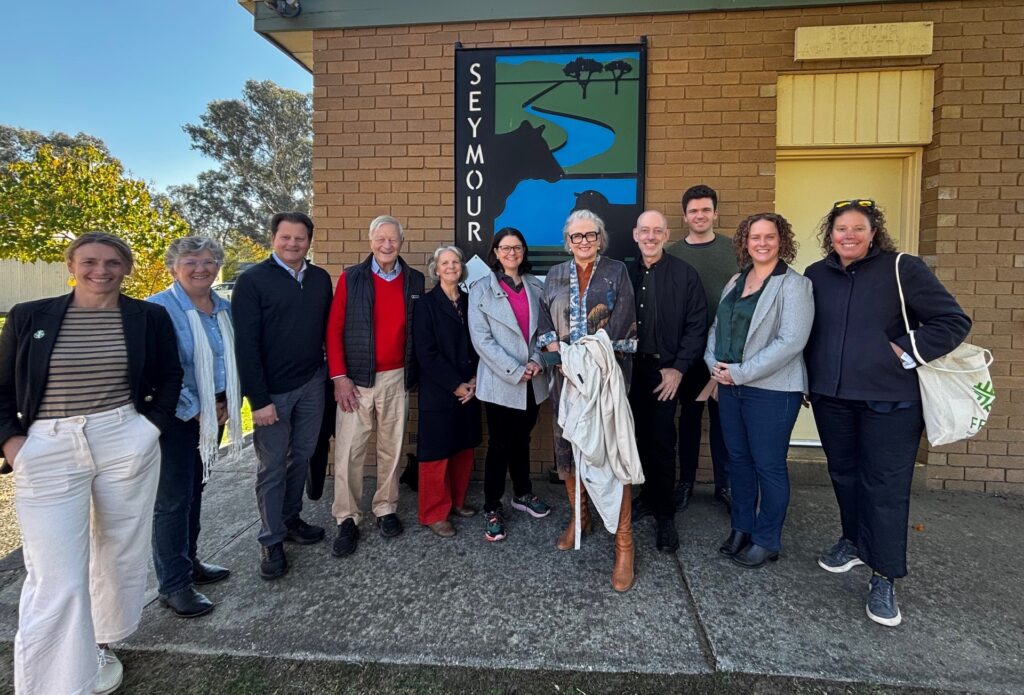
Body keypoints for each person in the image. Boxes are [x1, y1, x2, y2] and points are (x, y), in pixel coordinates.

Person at [0, 232, 182, 695]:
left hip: (123, 437)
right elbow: (3, 386)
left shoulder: (147, 317)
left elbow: (169, 375)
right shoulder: (30, 316)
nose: (101, 271)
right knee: (55, 572)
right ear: (71, 265)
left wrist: (149, 429)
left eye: (112, 262)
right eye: (90, 261)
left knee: (118, 551)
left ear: (126, 268)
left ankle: (100, 644)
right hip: (48, 444)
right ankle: (52, 684)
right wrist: (12, 442)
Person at [804, 199, 971, 626]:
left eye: (858, 228)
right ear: (830, 234)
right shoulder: (816, 275)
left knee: (885, 487)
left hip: (892, 401)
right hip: (832, 397)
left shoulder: (903, 268)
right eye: (841, 228)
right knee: (843, 473)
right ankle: (853, 541)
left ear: (873, 233)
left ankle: (884, 575)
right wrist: (808, 379)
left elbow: (952, 321)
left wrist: (902, 349)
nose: (849, 235)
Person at [538, 209, 640, 592]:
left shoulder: (616, 271)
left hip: (605, 382)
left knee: (611, 455)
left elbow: (624, 322)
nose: (583, 242)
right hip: (565, 382)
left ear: (600, 238)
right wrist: (558, 354)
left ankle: (624, 543)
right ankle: (580, 516)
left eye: (590, 235)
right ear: (568, 242)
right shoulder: (554, 275)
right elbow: (544, 322)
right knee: (568, 451)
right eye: (576, 236)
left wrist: (587, 360)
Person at [705, 213, 814, 569]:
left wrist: (740, 373)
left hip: (773, 391)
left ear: (782, 240)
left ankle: (767, 540)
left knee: (769, 466)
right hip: (730, 386)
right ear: (745, 241)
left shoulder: (794, 285)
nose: (762, 243)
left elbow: (791, 342)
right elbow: (718, 326)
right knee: (738, 461)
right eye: (755, 237)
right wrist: (712, 363)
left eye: (769, 236)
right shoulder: (736, 280)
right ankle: (742, 527)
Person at [232, 212, 333, 580]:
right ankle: (271, 538)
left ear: (309, 241)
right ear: (273, 238)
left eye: (300, 238)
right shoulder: (252, 281)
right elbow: (245, 345)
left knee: (301, 456)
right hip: (272, 392)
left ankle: (291, 519)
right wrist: (258, 400)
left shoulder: (319, 279)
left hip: (312, 383)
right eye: (286, 237)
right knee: (272, 466)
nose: (293, 244)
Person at [148, 236, 243, 617]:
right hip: (176, 417)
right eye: (191, 261)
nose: (201, 268)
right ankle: (173, 585)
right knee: (172, 500)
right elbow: (155, 371)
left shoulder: (224, 309)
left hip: (214, 412)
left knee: (195, 490)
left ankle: (190, 563)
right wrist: (196, 409)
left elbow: (231, 360)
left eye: (208, 261)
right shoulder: (159, 309)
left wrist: (226, 403)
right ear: (174, 267)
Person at [327, 215, 425, 557]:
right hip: (355, 380)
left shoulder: (415, 279)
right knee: (349, 452)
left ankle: (385, 508)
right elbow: (334, 329)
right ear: (370, 241)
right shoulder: (351, 277)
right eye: (380, 239)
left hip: (396, 377)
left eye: (393, 239)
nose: (387, 245)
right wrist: (339, 377)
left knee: (391, 448)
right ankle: (347, 517)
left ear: (401, 242)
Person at [626, 211, 707, 553]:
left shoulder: (685, 275)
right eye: (645, 230)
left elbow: (697, 326)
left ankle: (665, 515)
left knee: (661, 442)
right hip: (629, 372)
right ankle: (646, 497)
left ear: (666, 235)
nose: (650, 236)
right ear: (635, 234)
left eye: (657, 231)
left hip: (665, 373)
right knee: (635, 439)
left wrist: (678, 369)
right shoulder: (623, 274)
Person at [468, 228, 552, 543]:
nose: (511, 253)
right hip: (501, 381)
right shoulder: (481, 289)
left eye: (517, 247)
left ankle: (523, 493)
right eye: (505, 248)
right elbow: (482, 339)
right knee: (500, 444)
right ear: (495, 252)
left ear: (523, 251)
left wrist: (537, 361)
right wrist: (515, 369)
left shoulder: (537, 286)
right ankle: (492, 506)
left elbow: (546, 331)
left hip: (533, 379)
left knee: (522, 440)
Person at [666, 184, 736, 512]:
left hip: (726, 353)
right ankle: (686, 483)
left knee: (724, 421)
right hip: (690, 353)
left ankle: (725, 485)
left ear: (715, 213)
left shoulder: (734, 250)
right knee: (690, 419)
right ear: (685, 216)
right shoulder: (673, 253)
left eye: (706, 209)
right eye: (693, 211)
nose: (700, 215)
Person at [412, 246, 481, 537]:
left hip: (470, 388)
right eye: (445, 263)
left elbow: (481, 342)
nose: (451, 266)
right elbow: (425, 352)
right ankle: (433, 513)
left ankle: (457, 502)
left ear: (462, 267)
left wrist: (475, 380)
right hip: (440, 389)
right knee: (436, 453)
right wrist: (455, 384)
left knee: (463, 448)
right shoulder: (426, 305)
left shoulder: (470, 301)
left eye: (455, 262)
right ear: (436, 269)